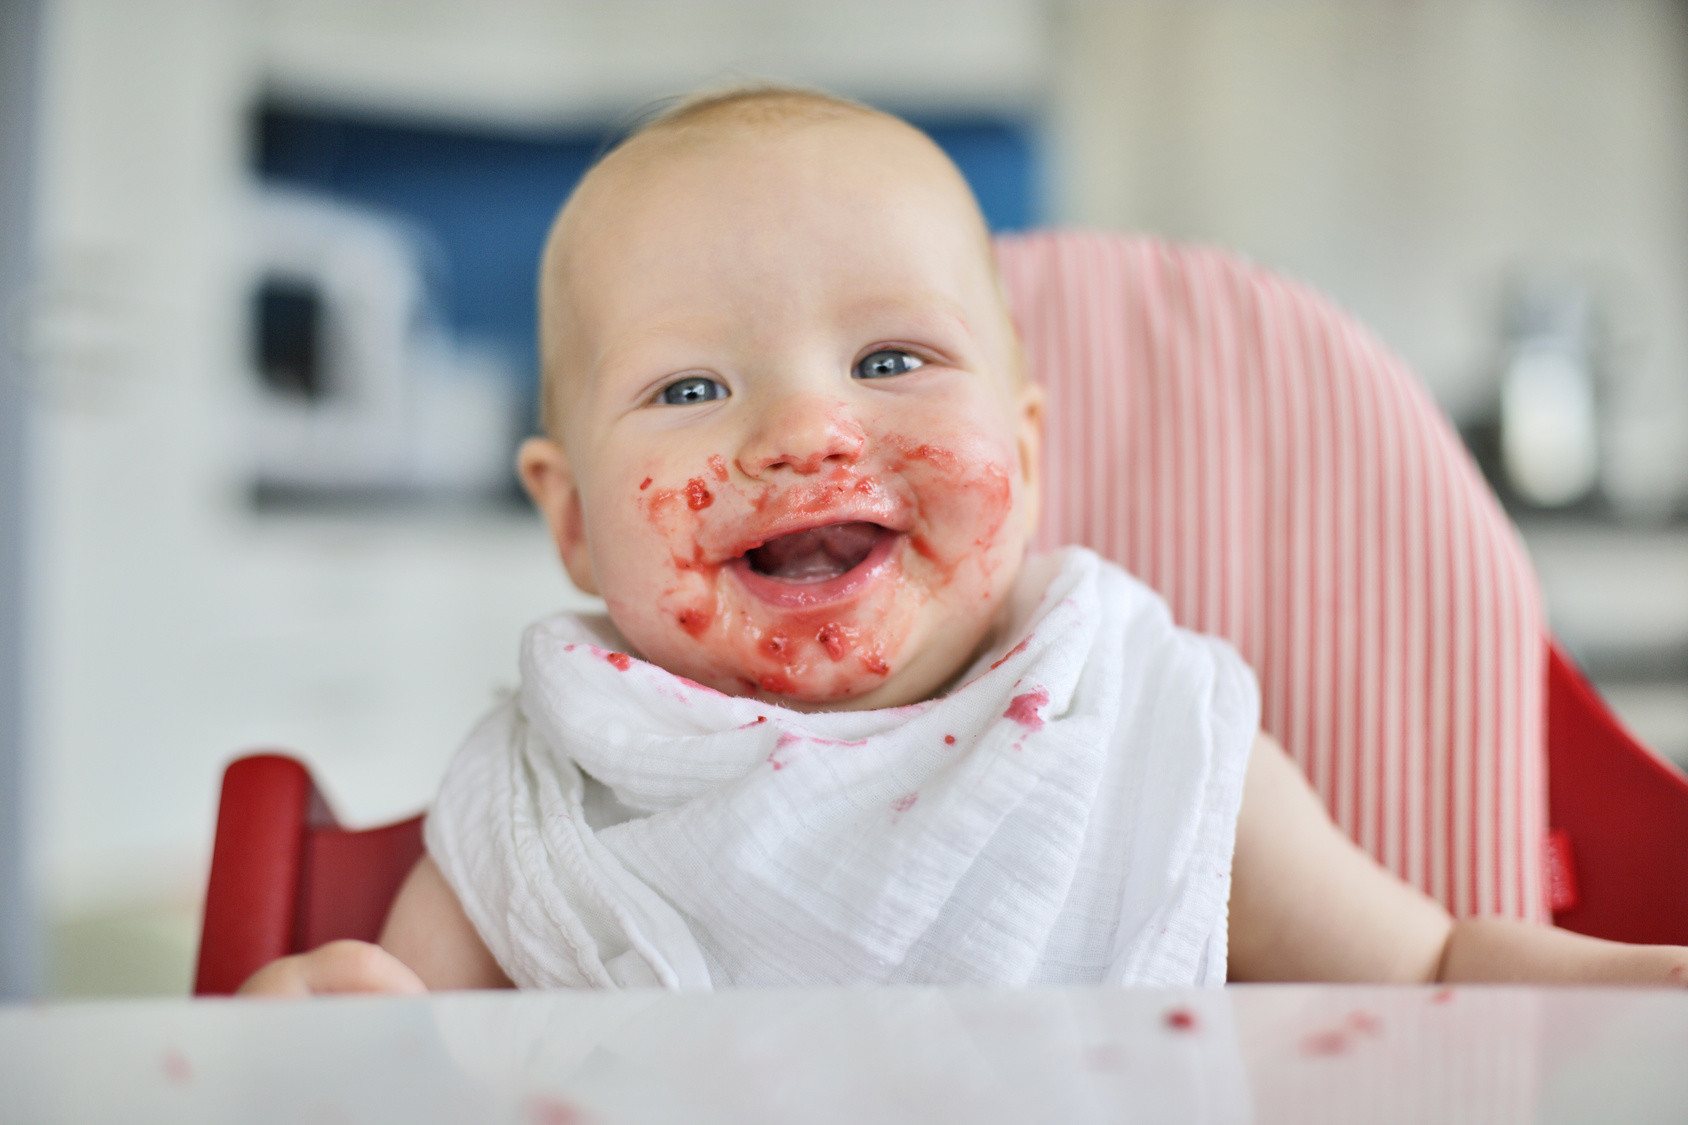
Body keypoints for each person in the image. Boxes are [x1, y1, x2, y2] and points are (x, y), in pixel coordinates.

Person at [241, 85, 1688, 997]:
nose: (805, 431)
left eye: (890, 360)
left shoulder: (1145, 739)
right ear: (568, 517)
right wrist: (344, 1024)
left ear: (1033, 454)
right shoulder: (557, 795)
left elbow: (1434, 968)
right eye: (691, 388)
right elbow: (399, 1036)